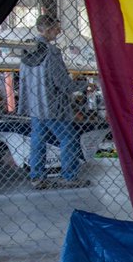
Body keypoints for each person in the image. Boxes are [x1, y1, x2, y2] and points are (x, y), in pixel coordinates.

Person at [18, 14, 88, 189]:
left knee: (38, 139)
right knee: (68, 137)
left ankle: (37, 176)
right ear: (48, 30)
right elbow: (62, 83)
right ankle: (69, 175)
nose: (59, 31)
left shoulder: (26, 49)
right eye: (57, 28)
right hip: (52, 104)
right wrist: (85, 84)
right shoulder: (52, 52)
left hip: (34, 103)